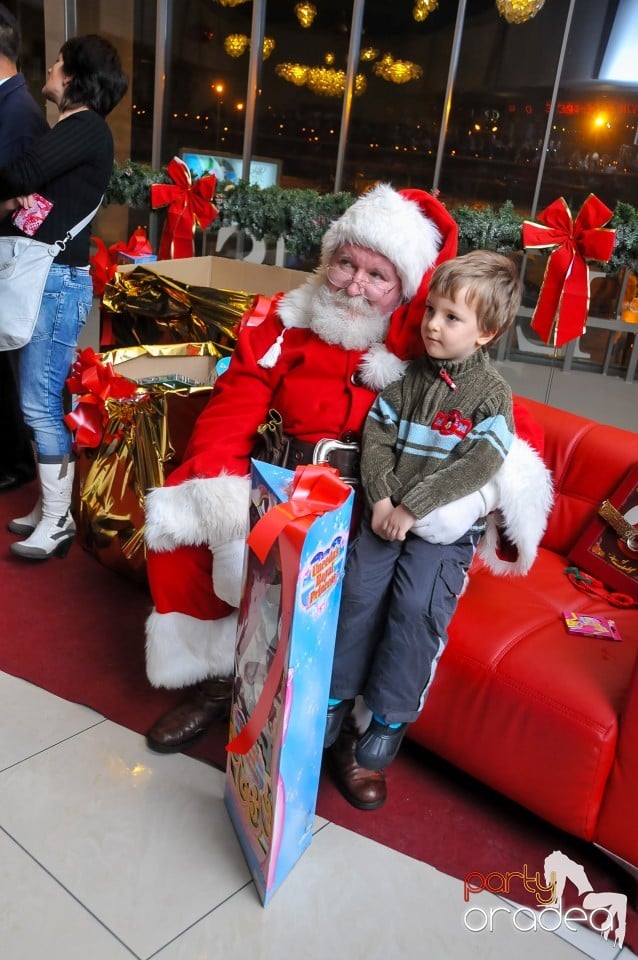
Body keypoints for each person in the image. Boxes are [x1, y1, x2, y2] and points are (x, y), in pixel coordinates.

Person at [142, 183, 553, 811]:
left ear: (404, 288)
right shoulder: (283, 319)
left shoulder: (422, 349)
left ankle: (347, 731)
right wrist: (216, 485)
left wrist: (453, 498)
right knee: (196, 518)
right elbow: (234, 407)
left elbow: (489, 420)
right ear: (327, 257)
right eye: (345, 263)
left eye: (377, 275)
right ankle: (220, 682)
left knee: (366, 589)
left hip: (369, 499)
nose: (354, 285)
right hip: (277, 483)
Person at [323, 250, 521, 775]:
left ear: (487, 332)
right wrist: (384, 497)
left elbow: (480, 463)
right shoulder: (407, 379)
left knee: (415, 607)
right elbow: (377, 437)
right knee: (360, 590)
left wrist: (414, 506)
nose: (433, 324)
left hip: (437, 532)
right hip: (388, 515)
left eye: (452, 317)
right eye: (432, 310)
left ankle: (389, 714)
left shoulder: (493, 397)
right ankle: (336, 694)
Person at [0, 34, 128, 560]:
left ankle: (57, 519)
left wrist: (15, 184)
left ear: (74, 77)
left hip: (56, 284)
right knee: (41, 402)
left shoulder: (85, 128)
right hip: (49, 281)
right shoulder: (74, 130)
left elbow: (20, 171)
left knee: (40, 403)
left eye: (56, 64)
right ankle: (53, 508)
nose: (49, 71)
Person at [0, 3, 49, 493]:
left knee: (6, 368)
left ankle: (14, 462)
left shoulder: (18, 111)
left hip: (10, 260)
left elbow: (21, 199)